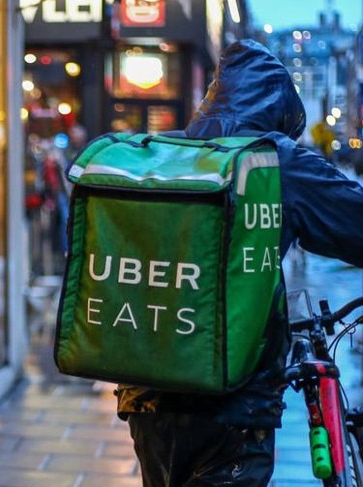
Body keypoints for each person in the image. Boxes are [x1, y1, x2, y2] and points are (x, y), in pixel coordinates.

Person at [116, 39, 363, 486]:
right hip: (234, 405)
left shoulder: (165, 154)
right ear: (278, 115)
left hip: (146, 395)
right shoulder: (274, 161)